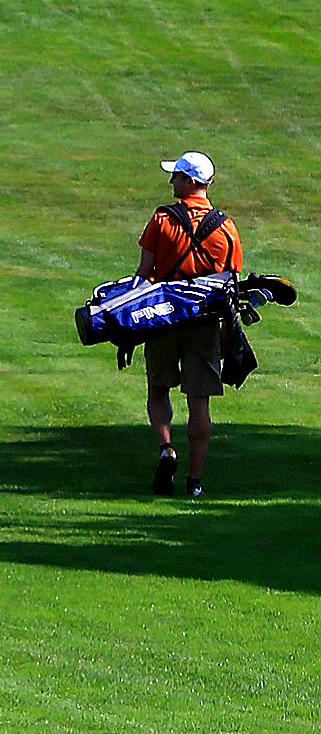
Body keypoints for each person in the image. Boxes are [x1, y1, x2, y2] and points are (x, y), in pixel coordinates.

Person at [136, 152, 242, 498]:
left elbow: (144, 274)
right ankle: (194, 482)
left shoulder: (162, 220)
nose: (172, 183)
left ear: (190, 182)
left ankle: (166, 448)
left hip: (164, 317)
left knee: (158, 389)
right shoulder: (225, 227)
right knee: (199, 402)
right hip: (206, 323)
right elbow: (231, 281)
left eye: (176, 177)